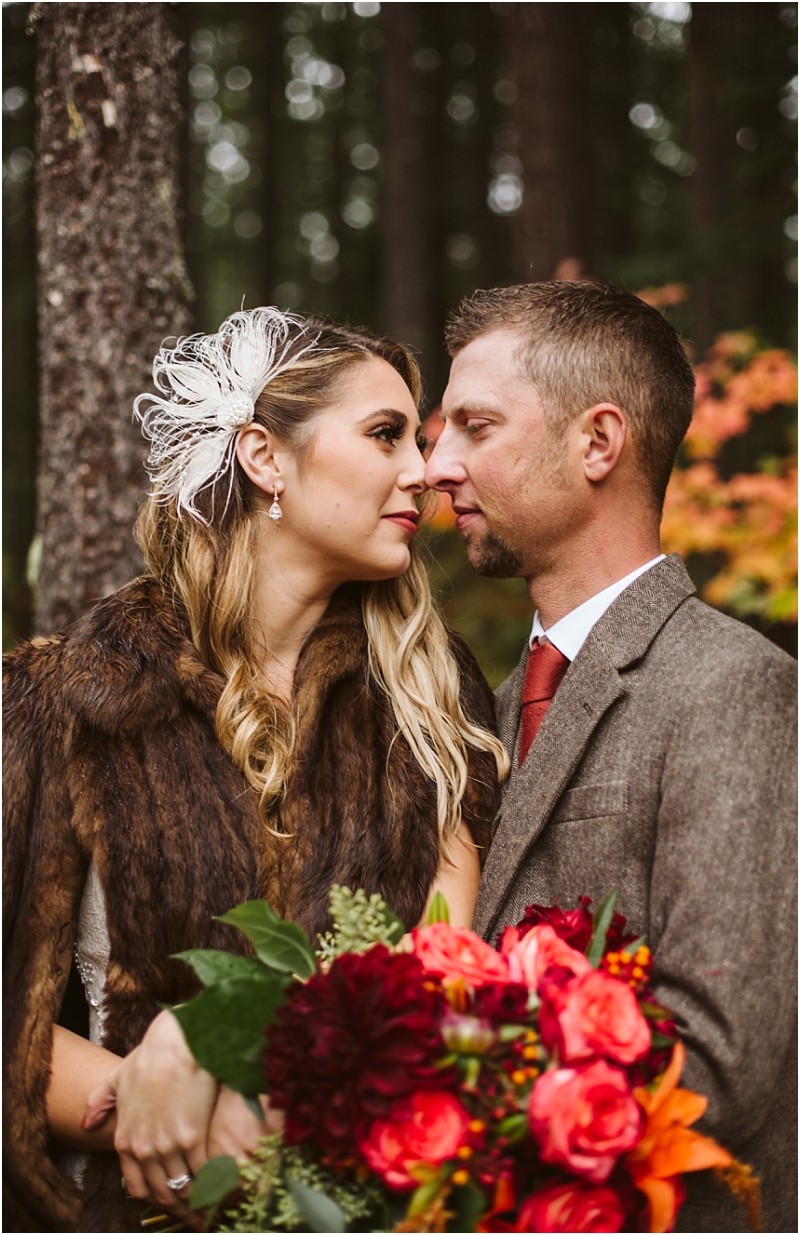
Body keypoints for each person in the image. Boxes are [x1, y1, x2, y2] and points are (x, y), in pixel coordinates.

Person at [3, 307, 507, 1233]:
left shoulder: (435, 694)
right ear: (264, 457)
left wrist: (241, 1071)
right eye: (385, 433)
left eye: (422, 438)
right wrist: (159, 1095)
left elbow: (445, 982)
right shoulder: (56, 699)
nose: (424, 471)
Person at [424, 280, 797, 1233]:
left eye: (475, 426)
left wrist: (407, 1099)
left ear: (598, 442)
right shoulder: (484, 712)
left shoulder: (734, 686)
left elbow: (719, 1064)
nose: (437, 465)